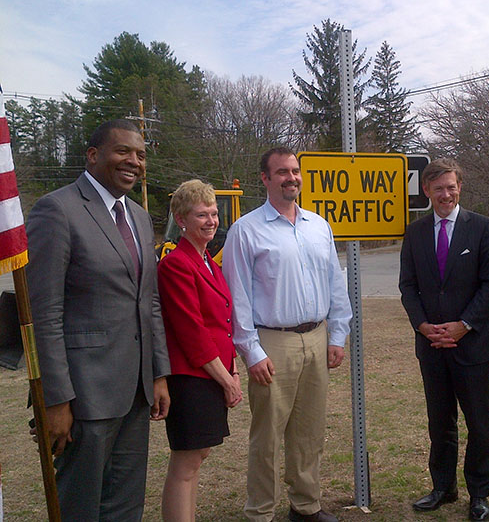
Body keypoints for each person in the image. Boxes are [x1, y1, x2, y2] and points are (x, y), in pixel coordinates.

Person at [26, 119, 171, 521]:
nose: (134, 161)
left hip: (136, 392)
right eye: (123, 151)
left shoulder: (140, 219)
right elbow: (45, 312)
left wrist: (159, 375)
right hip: (84, 397)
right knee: (82, 506)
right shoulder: (57, 210)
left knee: (125, 506)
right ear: (93, 155)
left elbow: (150, 302)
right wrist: (55, 399)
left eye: (141, 155)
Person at [222, 147, 352, 522]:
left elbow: (334, 283)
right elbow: (238, 296)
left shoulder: (318, 226)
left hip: (316, 336)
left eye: (295, 171)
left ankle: (305, 505)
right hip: (272, 342)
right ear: (265, 178)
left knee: (310, 431)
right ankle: (261, 512)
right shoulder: (246, 231)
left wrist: (337, 335)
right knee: (267, 437)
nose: (291, 178)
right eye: (281, 172)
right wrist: (251, 350)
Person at [399, 158, 489, 522]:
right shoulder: (414, 232)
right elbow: (408, 286)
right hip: (431, 345)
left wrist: (463, 325)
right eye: (438, 188)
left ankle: (479, 493)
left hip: (472, 345)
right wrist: (423, 325)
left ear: (460, 187)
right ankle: (443, 487)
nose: (446, 194)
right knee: (439, 421)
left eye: (451, 186)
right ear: (427, 191)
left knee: (478, 422)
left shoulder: (484, 228)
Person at [158, 180, 243, 521]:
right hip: (191, 377)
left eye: (213, 214)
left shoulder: (207, 260)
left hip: (212, 373)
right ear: (180, 219)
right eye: (201, 215)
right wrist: (227, 381)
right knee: (186, 463)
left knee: (199, 456)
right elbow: (192, 332)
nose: (211, 221)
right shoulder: (176, 264)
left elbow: (223, 321)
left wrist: (232, 370)